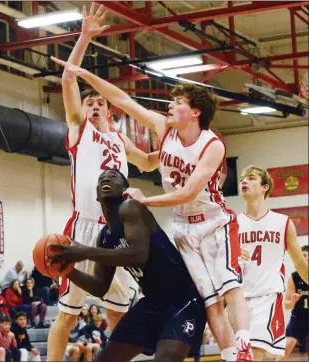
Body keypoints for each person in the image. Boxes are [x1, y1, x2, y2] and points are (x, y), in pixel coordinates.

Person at [51, 59, 249, 361]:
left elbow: (183, 192)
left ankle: (242, 347)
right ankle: (231, 354)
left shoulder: (209, 146)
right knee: (211, 302)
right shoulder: (108, 231)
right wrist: (86, 74)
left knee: (228, 290)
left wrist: (144, 199)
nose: (170, 105)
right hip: (181, 228)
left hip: (207, 227)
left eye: (178, 101)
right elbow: (123, 100)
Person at [46, 5, 159, 361]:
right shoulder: (80, 132)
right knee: (68, 312)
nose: (93, 105)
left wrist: (186, 148)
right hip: (83, 225)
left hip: (117, 230)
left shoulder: (121, 142)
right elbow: (67, 80)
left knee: (118, 311)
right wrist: (83, 37)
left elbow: (152, 162)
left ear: (110, 112)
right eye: (89, 101)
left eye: (99, 103)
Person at [49, 169, 206, 362]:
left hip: (183, 300)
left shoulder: (131, 208)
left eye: (114, 177)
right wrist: (68, 271)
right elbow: (99, 286)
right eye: (102, 179)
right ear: (97, 196)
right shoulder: (105, 237)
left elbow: (137, 255)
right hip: (152, 303)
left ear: (125, 190)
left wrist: (84, 251)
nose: (107, 178)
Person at [237, 165, 309, 360]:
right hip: (238, 302)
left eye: (251, 178)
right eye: (242, 179)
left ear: (264, 187)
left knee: (252, 356)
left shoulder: (282, 222)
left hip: (267, 299)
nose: (244, 181)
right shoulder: (232, 224)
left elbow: (300, 264)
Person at [276, 245, 308, 361]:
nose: (307, 258)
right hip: (298, 318)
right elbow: (286, 304)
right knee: (285, 349)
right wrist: (293, 301)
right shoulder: (294, 277)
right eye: (304, 255)